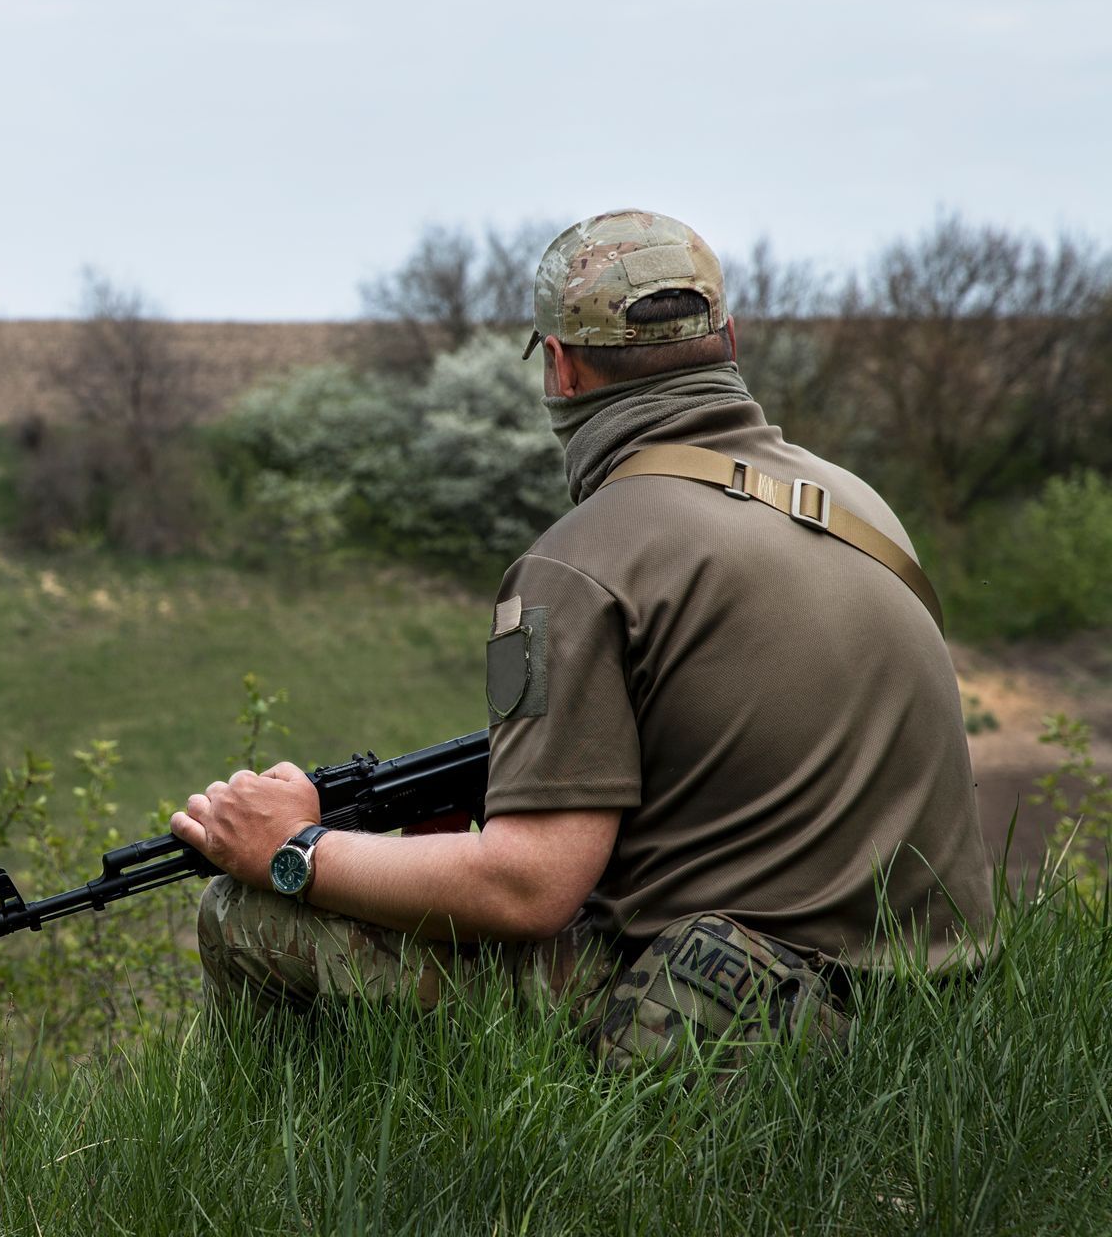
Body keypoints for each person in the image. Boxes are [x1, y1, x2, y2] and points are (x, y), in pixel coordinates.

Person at [170, 210, 994, 1064]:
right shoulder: (858, 506)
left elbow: (530, 886)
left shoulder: (576, 565)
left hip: (731, 1017)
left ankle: (304, 1172)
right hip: (933, 1006)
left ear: (560, 369)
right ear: (729, 339)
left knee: (245, 916)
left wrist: (295, 849)